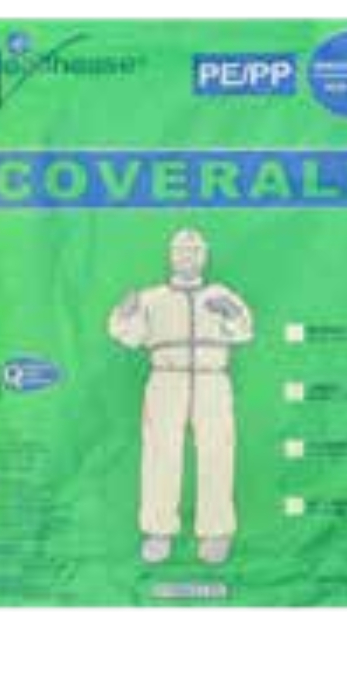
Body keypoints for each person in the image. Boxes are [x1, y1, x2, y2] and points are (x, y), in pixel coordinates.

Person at [108, 229, 254, 563]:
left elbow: (244, 331)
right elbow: (128, 336)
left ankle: (216, 531)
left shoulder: (221, 294)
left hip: (212, 380)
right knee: (161, 454)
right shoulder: (152, 298)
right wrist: (125, 312)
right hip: (166, 379)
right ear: (171, 255)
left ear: (205, 256)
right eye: (182, 250)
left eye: (195, 250)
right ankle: (158, 531)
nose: (188, 256)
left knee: (217, 452)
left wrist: (231, 312)